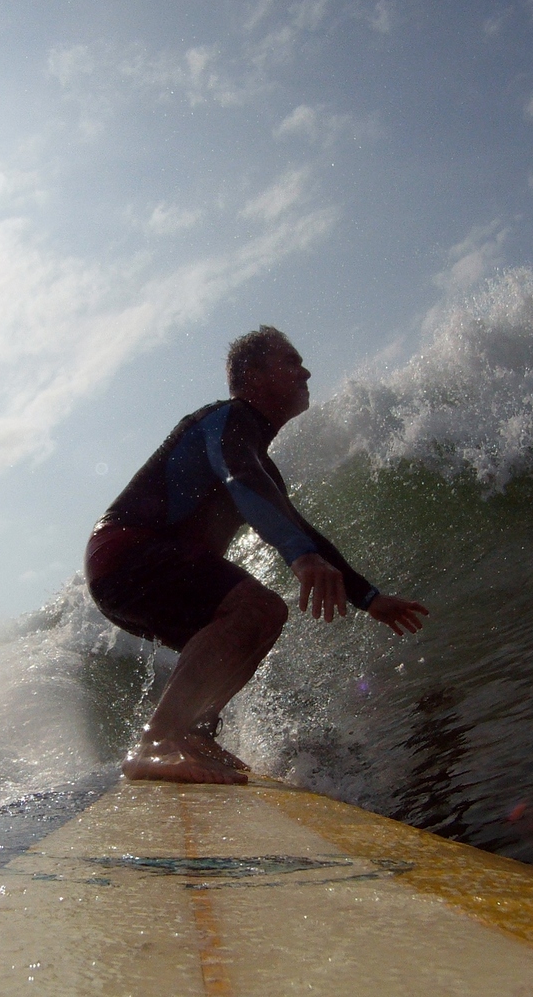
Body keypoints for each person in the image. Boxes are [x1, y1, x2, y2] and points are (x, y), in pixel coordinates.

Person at [85, 326, 430, 785]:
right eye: (290, 362)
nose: (305, 372)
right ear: (253, 375)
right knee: (256, 606)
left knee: (263, 617)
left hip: (129, 566)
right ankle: (157, 743)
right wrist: (300, 558)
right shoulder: (228, 419)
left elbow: (301, 527)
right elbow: (240, 475)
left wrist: (369, 598)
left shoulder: (255, 455)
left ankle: (194, 735)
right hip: (127, 552)